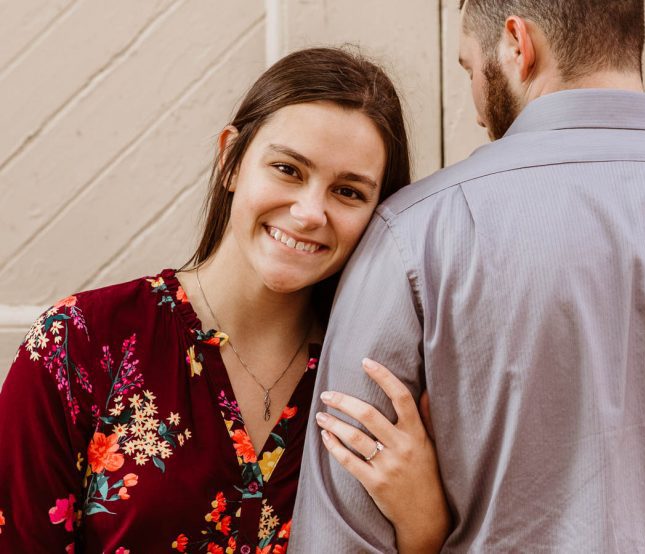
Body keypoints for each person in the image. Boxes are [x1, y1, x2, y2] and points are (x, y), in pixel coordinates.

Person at [291, 1, 645, 552]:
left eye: (471, 69)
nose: (476, 108)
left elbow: (341, 532)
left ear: (517, 45)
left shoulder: (416, 233)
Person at [0, 47, 449, 553]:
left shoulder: (384, 383)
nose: (308, 213)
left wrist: (424, 521)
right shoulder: (77, 344)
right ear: (231, 159)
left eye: (348, 192)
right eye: (287, 169)